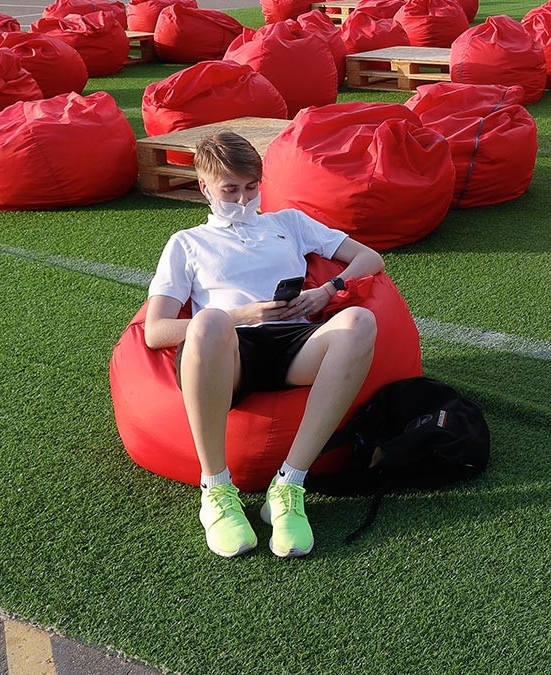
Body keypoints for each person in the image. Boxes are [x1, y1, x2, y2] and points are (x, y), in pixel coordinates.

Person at [144, 131, 383, 558]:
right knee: (211, 321)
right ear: (205, 188)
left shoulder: (288, 222)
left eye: (251, 186)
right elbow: (156, 330)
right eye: (229, 189)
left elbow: (369, 258)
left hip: (293, 341)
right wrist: (240, 316)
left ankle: (290, 484)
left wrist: (328, 290)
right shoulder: (186, 243)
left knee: (360, 320)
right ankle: (216, 489)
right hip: (229, 350)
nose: (243, 198)